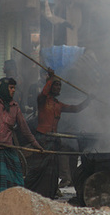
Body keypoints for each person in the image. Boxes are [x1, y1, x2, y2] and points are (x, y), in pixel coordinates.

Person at [24, 69, 92, 198]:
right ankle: (28, 190)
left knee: (53, 170)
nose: (58, 87)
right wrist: (50, 79)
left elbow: (75, 109)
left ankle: (50, 192)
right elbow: (44, 93)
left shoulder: (58, 104)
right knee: (38, 168)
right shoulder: (42, 100)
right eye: (55, 85)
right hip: (43, 138)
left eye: (59, 85)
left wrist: (88, 101)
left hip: (53, 139)